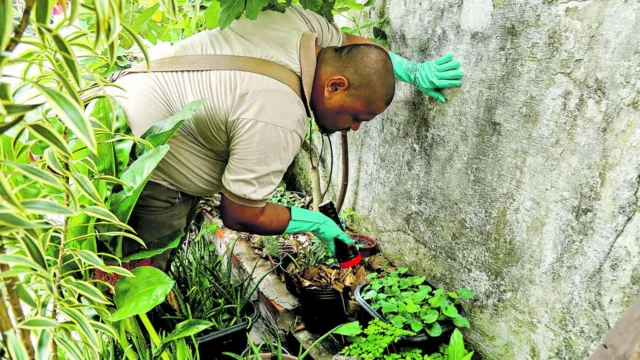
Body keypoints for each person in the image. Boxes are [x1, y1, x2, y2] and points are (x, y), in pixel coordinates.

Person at [110, 5, 464, 269]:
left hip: (123, 98)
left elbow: (352, 48)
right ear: (335, 86)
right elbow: (241, 214)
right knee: (136, 281)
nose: (355, 127)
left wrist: (409, 70)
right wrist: (319, 224)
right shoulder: (278, 115)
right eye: (357, 116)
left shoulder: (304, 25)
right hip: (141, 161)